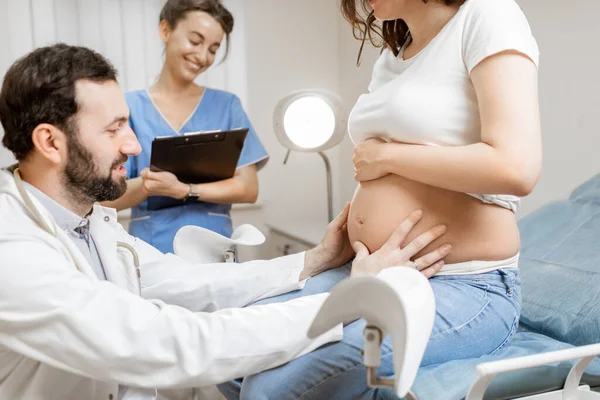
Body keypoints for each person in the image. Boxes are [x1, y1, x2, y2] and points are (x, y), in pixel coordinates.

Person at [0, 44, 452, 400]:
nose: (134, 145)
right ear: (50, 142)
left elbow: (184, 282)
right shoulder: (13, 249)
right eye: (114, 129)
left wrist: (310, 262)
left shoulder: (90, 220)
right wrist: (350, 303)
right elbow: (169, 342)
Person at [219, 0, 542, 398]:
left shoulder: (487, 14)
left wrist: (389, 157)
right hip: (371, 269)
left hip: (464, 285)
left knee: (271, 386)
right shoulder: (394, 54)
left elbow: (516, 167)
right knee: (230, 345)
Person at [103, 0, 268, 254]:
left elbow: (248, 188)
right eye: (195, 41)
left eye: (213, 49)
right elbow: (107, 199)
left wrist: (185, 190)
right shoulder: (128, 108)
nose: (202, 57)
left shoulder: (226, 106)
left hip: (215, 252)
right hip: (152, 252)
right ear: (166, 30)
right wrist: (149, 186)